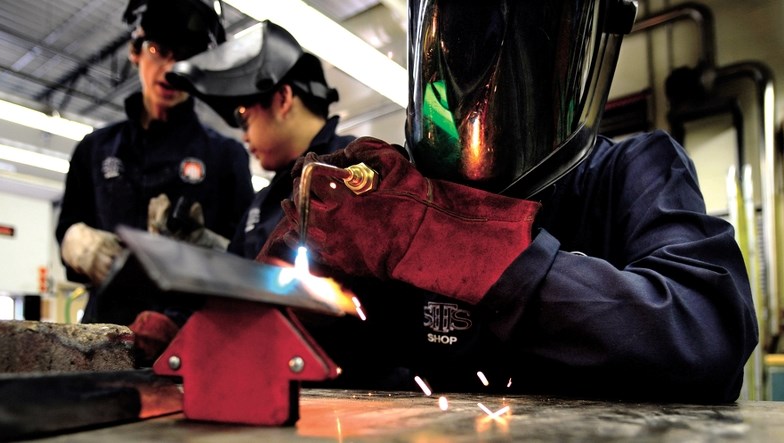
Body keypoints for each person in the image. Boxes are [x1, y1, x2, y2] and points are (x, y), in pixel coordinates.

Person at [257, 0, 759, 403]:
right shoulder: (391, 199)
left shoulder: (636, 170)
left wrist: (445, 240)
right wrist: (290, 287)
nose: (479, 93)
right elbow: (311, 360)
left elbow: (707, 334)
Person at [55, 0, 254, 332]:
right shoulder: (94, 148)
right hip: (106, 329)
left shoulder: (225, 155)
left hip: (190, 334)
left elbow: (246, 259)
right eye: (158, 50)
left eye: (185, 57)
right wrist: (76, 243)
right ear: (135, 52)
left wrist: (212, 249)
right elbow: (67, 225)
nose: (170, 69)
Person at [165, 20, 356, 259]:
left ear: (283, 99)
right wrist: (206, 246)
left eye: (244, 117)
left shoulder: (352, 166)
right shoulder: (265, 199)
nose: (243, 135)